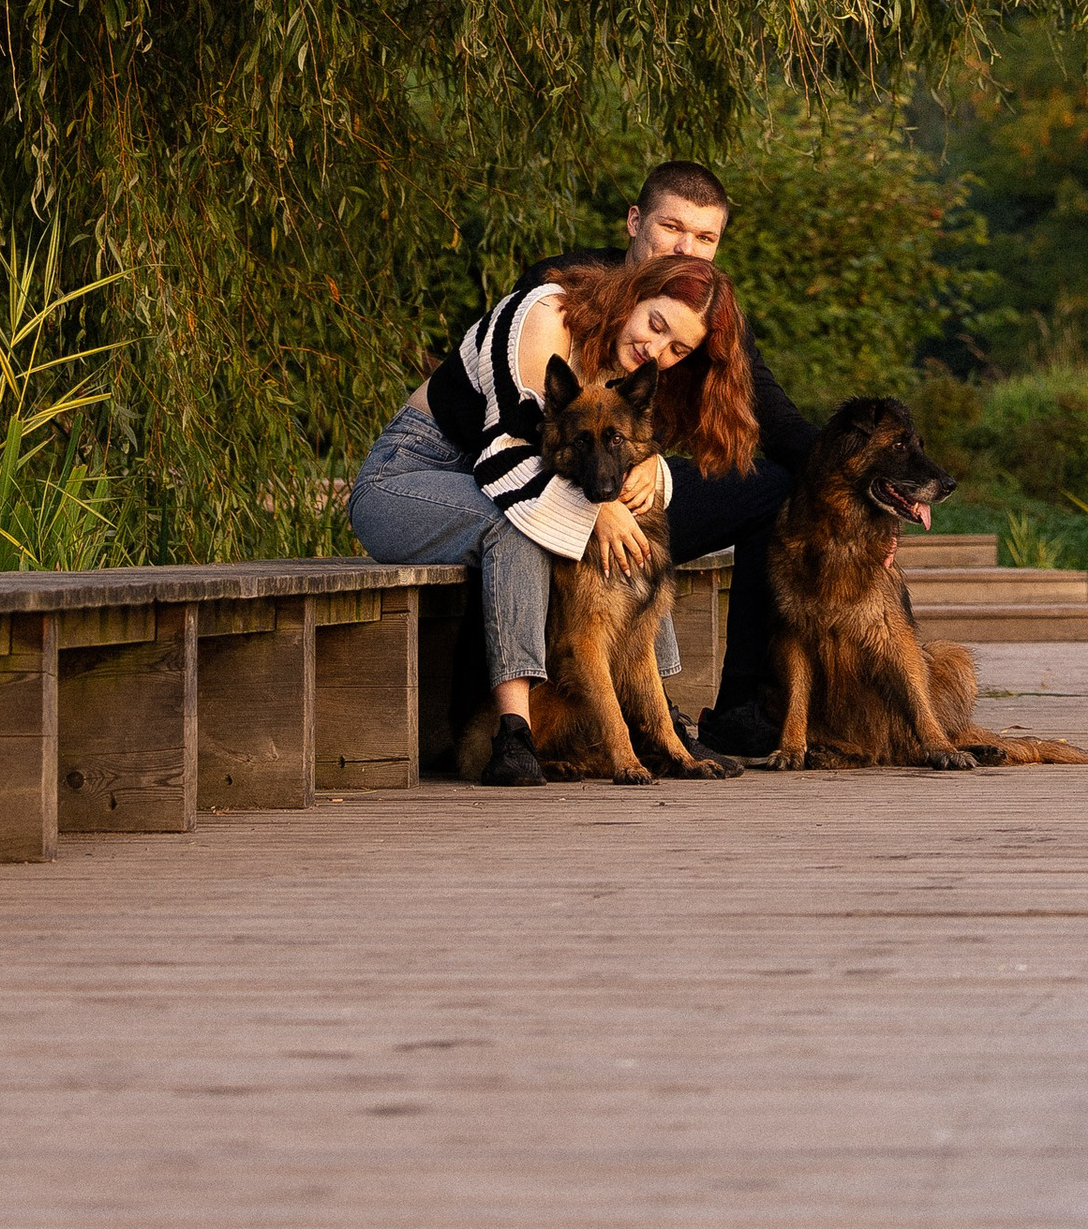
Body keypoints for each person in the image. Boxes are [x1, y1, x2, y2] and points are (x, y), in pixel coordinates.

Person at [347, 246, 761, 784]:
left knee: (638, 527)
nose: (656, 347)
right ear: (633, 294)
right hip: (406, 477)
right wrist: (600, 513)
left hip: (480, 480)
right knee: (514, 527)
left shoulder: (622, 362)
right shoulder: (547, 315)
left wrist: (649, 471)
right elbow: (506, 455)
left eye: (678, 346)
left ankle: (658, 723)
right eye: (656, 324)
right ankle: (514, 734)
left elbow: (618, 444)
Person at [534, 161, 811, 762]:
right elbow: (515, 429)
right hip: (551, 479)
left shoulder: (709, 313)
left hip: (630, 477)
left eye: (705, 238)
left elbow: (778, 420)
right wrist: (599, 508)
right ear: (635, 222)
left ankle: (740, 708)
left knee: (778, 486)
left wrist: (868, 491)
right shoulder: (564, 288)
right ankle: (610, 719)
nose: (687, 249)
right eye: (672, 228)